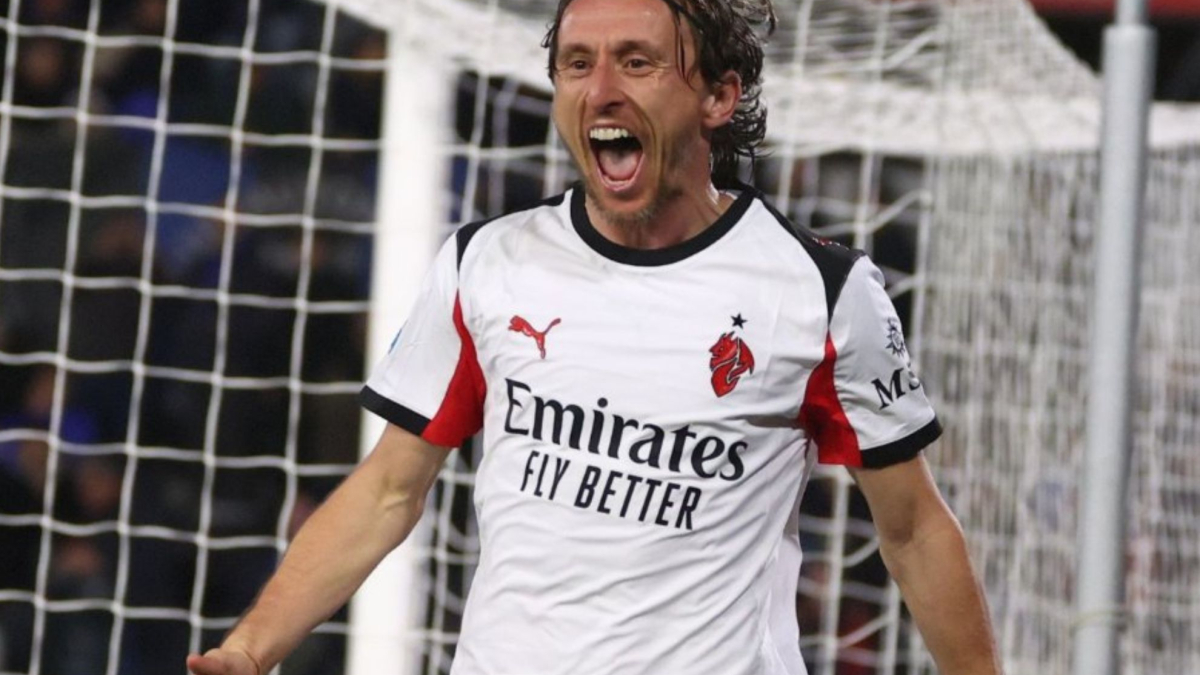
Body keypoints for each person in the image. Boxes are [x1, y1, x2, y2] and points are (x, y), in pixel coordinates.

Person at [186, 0, 1002, 674]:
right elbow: (389, 489)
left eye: (637, 62)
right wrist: (251, 648)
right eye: (577, 64)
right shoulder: (488, 263)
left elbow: (913, 529)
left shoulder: (821, 291)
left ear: (719, 97)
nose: (601, 90)